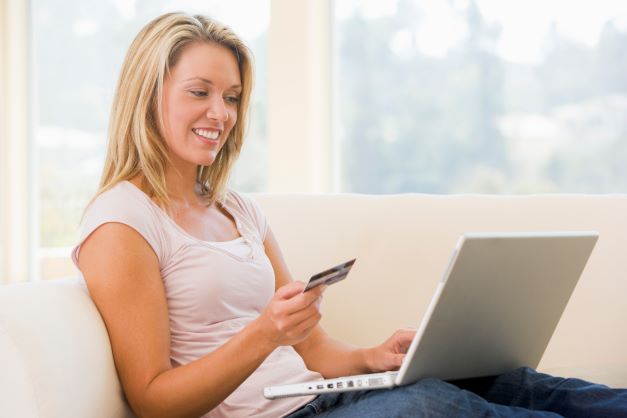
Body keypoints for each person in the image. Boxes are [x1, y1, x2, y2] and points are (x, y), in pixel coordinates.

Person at [72, 12, 627, 418]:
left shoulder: (237, 208)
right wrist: (265, 334)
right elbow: (152, 399)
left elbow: (311, 349)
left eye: (233, 97)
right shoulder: (122, 222)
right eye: (200, 92)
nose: (221, 113)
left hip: (318, 398)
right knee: (434, 405)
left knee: (496, 377)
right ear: (148, 96)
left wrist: (372, 356)